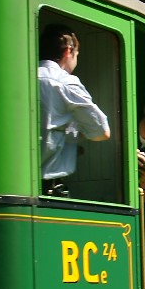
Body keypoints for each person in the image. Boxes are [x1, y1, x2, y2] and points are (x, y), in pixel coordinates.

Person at [38, 24, 110, 197]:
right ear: (68, 51)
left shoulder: (20, 76)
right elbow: (102, 131)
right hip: (49, 190)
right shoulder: (64, 82)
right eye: (77, 54)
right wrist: (77, 132)